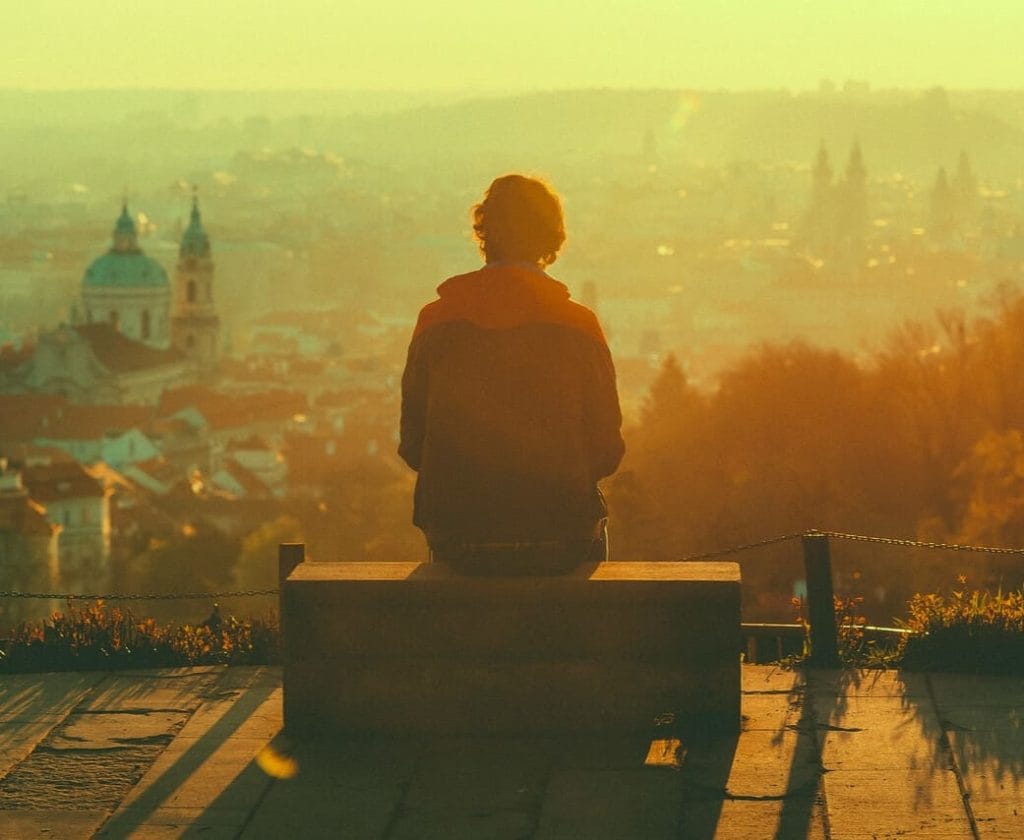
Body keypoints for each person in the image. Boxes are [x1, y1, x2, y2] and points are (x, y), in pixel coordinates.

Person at [399, 174, 624, 574]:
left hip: (460, 538)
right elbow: (607, 449)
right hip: (561, 535)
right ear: (551, 238)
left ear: (485, 233)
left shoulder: (435, 321)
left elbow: (414, 444)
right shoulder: (579, 326)